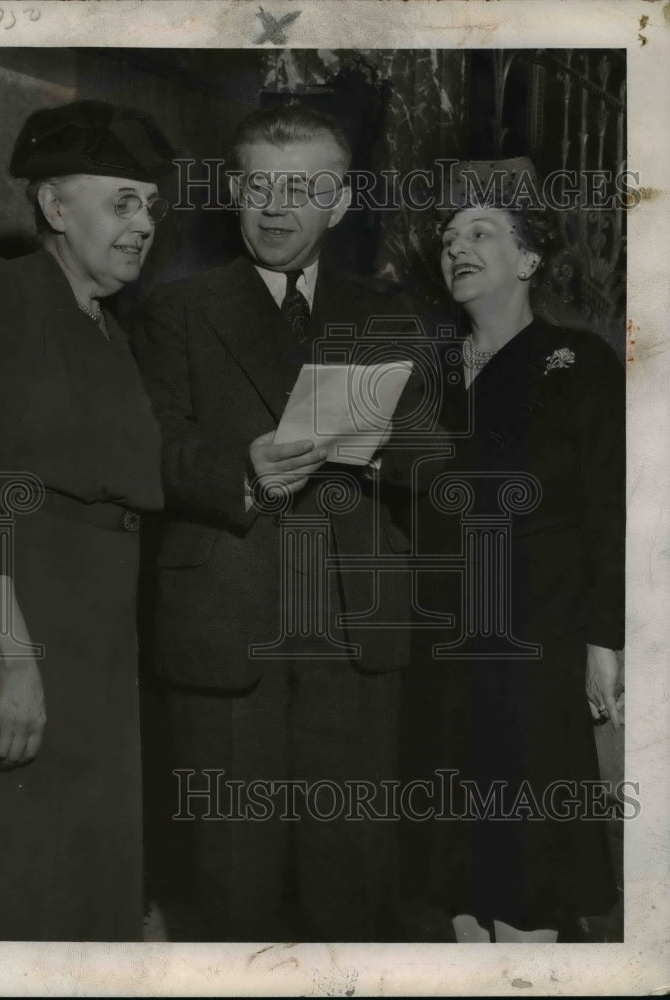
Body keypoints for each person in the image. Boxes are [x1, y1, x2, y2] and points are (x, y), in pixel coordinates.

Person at [132, 103, 430, 942]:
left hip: (352, 628)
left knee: (353, 879)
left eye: (301, 188)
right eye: (258, 184)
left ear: (339, 204)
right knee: (234, 879)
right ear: (233, 191)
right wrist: (242, 470)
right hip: (229, 618)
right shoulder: (176, 309)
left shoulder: (388, 311)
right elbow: (151, 450)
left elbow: (437, 457)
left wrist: (370, 454)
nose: (274, 206)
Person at [0, 99, 174, 941]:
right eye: (122, 202)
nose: (143, 224)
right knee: (19, 873)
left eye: (149, 206)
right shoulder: (3, 292)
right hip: (28, 618)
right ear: (52, 206)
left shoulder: (110, 332)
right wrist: (14, 659)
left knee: (87, 871)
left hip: (101, 635)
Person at [403, 158, 624, 943]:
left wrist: (603, 638)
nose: (456, 247)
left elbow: (607, 503)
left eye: (480, 232)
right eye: (448, 236)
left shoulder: (581, 363)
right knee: (455, 865)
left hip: (539, 632)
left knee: (529, 859)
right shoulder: (421, 372)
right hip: (442, 639)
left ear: (528, 258)